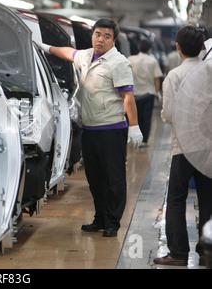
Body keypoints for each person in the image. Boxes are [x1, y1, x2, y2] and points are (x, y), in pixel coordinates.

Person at [37, 18, 143, 237]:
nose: (100, 39)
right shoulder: (86, 55)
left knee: (113, 179)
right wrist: (44, 46)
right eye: (97, 34)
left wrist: (134, 126)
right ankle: (100, 218)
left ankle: (112, 223)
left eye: (106, 36)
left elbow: (128, 97)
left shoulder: (118, 63)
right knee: (95, 179)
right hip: (91, 129)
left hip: (112, 129)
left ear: (113, 40)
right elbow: (68, 53)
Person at [154, 24, 212, 266]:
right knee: (208, 198)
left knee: (176, 199)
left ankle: (178, 253)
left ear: (177, 47)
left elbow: (167, 115)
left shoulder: (174, 76)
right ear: (202, 47)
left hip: (183, 148)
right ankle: (206, 251)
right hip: (208, 146)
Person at [127, 39, 163, 146]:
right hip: (149, 93)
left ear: (138, 47)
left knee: (135, 117)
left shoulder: (130, 59)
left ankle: (135, 140)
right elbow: (157, 78)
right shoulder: (152, 61)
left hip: (134, 93)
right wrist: (157, 92)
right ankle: (144, 140)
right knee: (146, 118)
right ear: (149, 49)